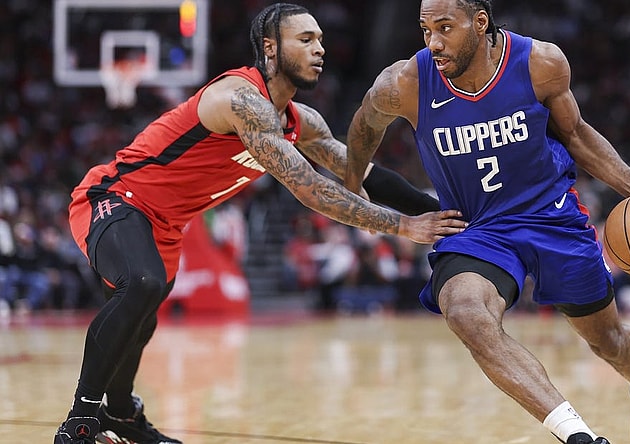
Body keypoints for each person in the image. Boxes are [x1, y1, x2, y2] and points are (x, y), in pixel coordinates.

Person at [54, 3, 467, 443]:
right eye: (305, 40)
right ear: (270, 49)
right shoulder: (241, 99)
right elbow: (310, 189)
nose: (320, 49)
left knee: (141, 319)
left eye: (321, 40)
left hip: (167, 224)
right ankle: (80, 423)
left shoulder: (301, 121)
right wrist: (404, 227)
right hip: (116, 198)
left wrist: (441, 210)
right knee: (143, 283)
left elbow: (359, 170)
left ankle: (120, 414)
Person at [343, 1, 630, 443]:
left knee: (610, 344)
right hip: (480, 229)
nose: (433, 42)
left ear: (480, 22)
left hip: (551, 217)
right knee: (466, 312)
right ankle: (578, 436)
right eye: (425, 29)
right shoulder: (406, 83)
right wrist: (353, 183)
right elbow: (363, 127)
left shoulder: (539, 63)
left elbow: (578, 135)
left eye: (445, 28)